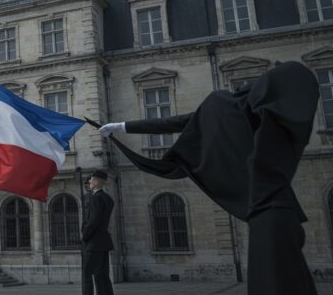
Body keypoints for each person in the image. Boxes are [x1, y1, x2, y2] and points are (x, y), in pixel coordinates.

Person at [96, 61, 319, 295]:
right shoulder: (243, 111)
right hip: (273, 206)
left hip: (267, 208)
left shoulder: (226, 105)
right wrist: (123, 126)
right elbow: (178, 122)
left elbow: (177, 122)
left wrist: (121, 127)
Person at [82, 170, 115, 295]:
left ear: (96, 181)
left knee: (87, 273)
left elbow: (93, 221)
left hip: (93, 242)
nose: (89, 182)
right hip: (103, 242)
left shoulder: (95, 198)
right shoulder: (108, 198)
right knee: (102, 274)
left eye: (91, 179)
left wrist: (84, 236)